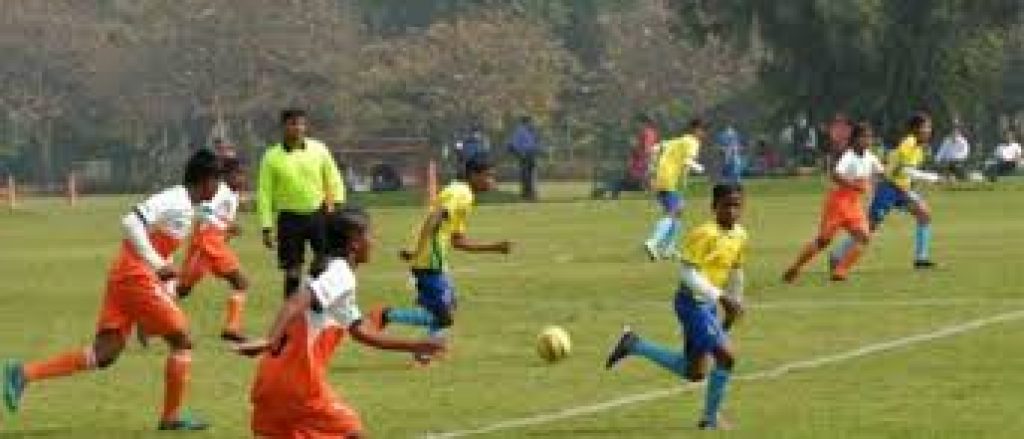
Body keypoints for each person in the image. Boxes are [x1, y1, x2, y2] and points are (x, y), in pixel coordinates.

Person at [3, 150, 222, 430]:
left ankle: (22, 374)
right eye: (218, 180)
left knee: (105, 353)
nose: (219, 187)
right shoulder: (175, 200)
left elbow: (158, 251)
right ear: (206, 180)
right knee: (182, 341)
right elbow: (131, 222)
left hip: (127, 277)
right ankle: (171, 417)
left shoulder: (187, 206)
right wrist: (156, 264)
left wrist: (155, 304)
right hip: (135, 278)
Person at [233, 207, 444, 439]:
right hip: (301, 385)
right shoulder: (340, 274)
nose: (372, 242)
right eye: (369, 235)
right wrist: (270, 339)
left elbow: (361, 332)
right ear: (354, 242)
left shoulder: (329, 272)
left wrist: (415, 346)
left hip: (270, 381)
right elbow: (296, 301)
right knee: (353, 434)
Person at [606, 183, 747, 430]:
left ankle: (634, 344)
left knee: (695, 372)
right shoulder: (704, 234)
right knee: (727, 357)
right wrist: (723, 298)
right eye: (727, 205)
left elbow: (736, 271)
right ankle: (710, 419)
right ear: (714, 207)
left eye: (737, 205)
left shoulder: (741, 235)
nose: (732, 211)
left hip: (709, 306)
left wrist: (735, 301)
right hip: (691, 304)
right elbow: (687, 275)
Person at [383, 156, 512, 364]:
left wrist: (494, 248)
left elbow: (458, 241)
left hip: (433, 260)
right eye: (488, 176)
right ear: (474, 175)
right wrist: (417, 251)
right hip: (429, 262)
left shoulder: (464, 194)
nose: (491, 181)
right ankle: (387, 316)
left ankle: (428, 350)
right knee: (444, 315)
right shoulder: (460, 193)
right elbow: (435, 218)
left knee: (447, 308)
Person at [830, 112, 941, 271]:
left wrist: (915, 184)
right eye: (926, 127)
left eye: (929, 127)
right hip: (888, 188)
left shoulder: (918, 148)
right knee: (869, 226)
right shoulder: (908, 143)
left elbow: (904, 172)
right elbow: (901, 169)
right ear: (916, 129)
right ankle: (837, 254)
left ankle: (921, 259)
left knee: (924, 214)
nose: (929, 130)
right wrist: (931, 177)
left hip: (902, 189)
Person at [258, 108, 346, 298]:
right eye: (293, 124)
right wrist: (266, 226)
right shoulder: (271, 157)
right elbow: (264, 193)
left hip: (318, 214)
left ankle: (315, 305)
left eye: (301, 123)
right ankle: (289, 316)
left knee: (324, 263)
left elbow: (333, 178)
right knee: (292, 270)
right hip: (289, 219)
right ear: (284, 127)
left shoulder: (319, 149)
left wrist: (337, 204)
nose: (298, 128)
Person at [784, 122, 883, 282]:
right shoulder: (848, 156)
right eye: (864, 137)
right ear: (855, 139)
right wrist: (854, 185)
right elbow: (835, 176)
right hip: (838, 202)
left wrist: (878, 184)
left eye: (870, 137)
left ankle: (840, 271)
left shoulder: (870, 157)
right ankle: (795, 267)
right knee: (823, 241)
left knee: (864, 237)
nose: (868, 140)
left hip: (854, 204)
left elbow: (881, 172)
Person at [176, 156, 250, 341]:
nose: (243, 178)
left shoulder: (232, 194)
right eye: (239, 174)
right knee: (182, 289)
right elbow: (202, 211)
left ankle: (232, 328)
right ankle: (147, 316)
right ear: (228, 175)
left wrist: (227, 229)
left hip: (215, 244)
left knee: (240, 283)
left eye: (243, 174)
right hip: (206, 243)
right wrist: (226, 225)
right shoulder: (221, 191)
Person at [643, 118, 707, 261]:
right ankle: (653, 242)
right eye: (703, 130)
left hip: (661, 179)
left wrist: (652, 169)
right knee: (672, 212)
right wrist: (699, 168)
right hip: (670, 180)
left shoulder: (677, 141)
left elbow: (655, 149)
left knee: (679, 211)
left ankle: (668, 248)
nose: (704, 134)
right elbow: (687, 161)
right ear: (695, 130)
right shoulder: (693, 142)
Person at [508, 116, 542, 201]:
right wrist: (521, 154)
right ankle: (526, 193)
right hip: (524, 155)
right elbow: (514, 144)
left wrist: (537, 149)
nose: (532, 123)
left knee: (532, 174)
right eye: (531, 122)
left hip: (531, 154)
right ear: (526, 122)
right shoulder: (520, 131)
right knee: (526, 175)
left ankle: (532, 193)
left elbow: (534, 143)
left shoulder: (530, 131)